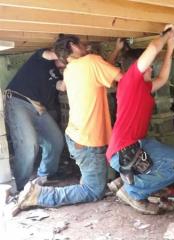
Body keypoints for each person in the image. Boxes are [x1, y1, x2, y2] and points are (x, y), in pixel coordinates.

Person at [15, 35, 123, 211]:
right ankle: (39, 195)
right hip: (88, 140)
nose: (86, 47)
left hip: (77, 136)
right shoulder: (91, 62)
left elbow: (102, 70)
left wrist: (116, 50)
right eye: (83, 44)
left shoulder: (71, 69)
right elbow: (123, 78)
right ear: (73, 45)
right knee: (93, 191)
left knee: (96, 179)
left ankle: (88, 179)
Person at [106, 24, 174, 215]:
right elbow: (153, 49)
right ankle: (133, 190)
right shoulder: (129, 81)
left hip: (137, 145)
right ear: (136, 67)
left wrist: (170, 49)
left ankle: (126, 180)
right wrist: (167, 34)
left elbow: (162, 79)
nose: (151, 67)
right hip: (124, 150)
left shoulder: (143, 86)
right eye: (148, 65)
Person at [5, 48, 65, 191]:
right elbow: (50, 54)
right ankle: (21, 187)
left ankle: (45, 175)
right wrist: (73, 55)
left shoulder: (56, 73)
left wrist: (73, 68)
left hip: (38, 107)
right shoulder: (41, 58)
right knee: (28, 146)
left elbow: (62, 86)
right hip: (18, 100)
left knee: (56, 140)